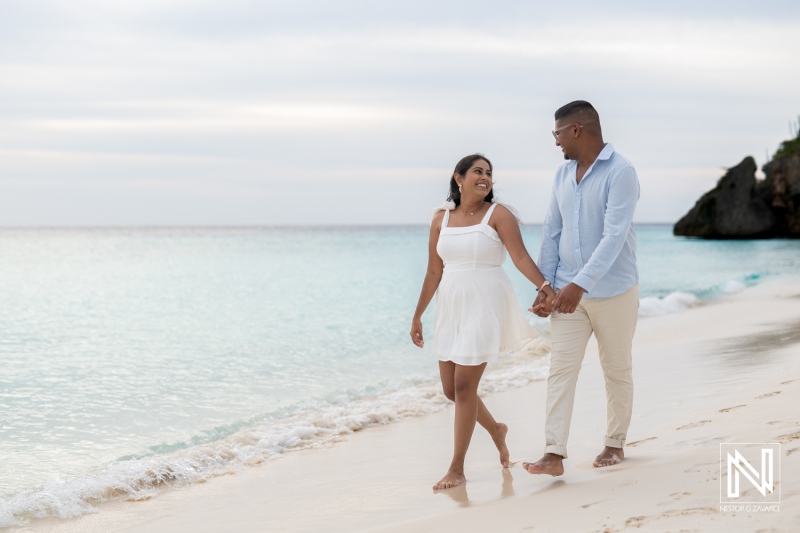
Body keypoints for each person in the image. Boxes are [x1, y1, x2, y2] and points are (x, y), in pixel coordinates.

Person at [410, 154, 556, 490]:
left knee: (464, 386)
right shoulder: (440, 219)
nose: (485, 177)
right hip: (451, 304)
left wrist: (545, 287)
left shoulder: (499, 214)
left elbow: (519, 256)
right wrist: (418, 315)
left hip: (486, 300)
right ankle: (496, 429)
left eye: (489, 173)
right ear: (458, 178)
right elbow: (434, 271)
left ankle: (457, 468)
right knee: (451, 390)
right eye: (478, 171)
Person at [525, 100, 640, 477]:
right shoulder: (562, 175)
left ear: (576, 129)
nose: (555, 142)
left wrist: (579, 285)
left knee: (616, 369)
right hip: (566, 292)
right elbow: (551, 231)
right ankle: (554, 453)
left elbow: (614, 236)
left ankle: (614, 442)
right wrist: (546, 285)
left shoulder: (621, 172)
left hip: (614, 291)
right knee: (560, 370)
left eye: (557, 133)